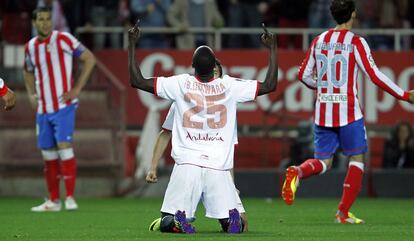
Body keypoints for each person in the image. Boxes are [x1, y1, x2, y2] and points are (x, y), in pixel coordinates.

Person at [128, 20, 277, 233]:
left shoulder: (180, 84)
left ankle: (178, 221)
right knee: (235, 226)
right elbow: (270, 85)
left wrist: (132, 44)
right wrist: (272, 49)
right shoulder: (229, 86)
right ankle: (229, 219)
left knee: (168, 220)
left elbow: (137, 80)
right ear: (215, 66)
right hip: (218, 166)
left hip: (187, 163)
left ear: (192, 66)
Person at [283, 0, 414, 224]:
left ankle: (298, 171)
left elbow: (303, 75)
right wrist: (403, 94)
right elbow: (374, 75)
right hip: (348, 112)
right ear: (353, 14)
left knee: (323, 162)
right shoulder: (356, 42)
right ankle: (342, 213)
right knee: (357, 159)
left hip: (323, 110)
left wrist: (322, 87)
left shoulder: (319, 40)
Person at [146, 59, 249, 232]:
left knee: (242, 226)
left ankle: (171, 221)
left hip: (213, 169)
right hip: (191, 165)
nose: (213, 76)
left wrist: (231, 184)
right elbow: (165, 134)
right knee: (172, 217)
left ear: (221, 78)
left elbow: (227, 152)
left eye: (217, 73)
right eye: (212, 72)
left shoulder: (226, 106)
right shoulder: (184, 100)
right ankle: (171, 220)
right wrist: (153, 167)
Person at [23, 7, 96, 212]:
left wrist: (77, 88)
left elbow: (89, 58)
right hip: (43, 109)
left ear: (51, 21)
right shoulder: (30, 47)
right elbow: (27, 70)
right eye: (41, 19)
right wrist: (30, 93)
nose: (45, 22)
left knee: (64, 147)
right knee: (48, 153)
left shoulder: (64, 39)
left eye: (48, 19)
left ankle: (70, 197)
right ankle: (53, 201)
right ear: (34, 23)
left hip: (63, 106)